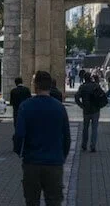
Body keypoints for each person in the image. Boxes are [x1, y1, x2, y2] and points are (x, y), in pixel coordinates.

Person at [14, 71, 71, 206]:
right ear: (50, 86)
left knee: (32, 201)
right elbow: (67, 137)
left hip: (32, 162)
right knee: (54, 201)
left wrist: (19, 151)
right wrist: (61, 156)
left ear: (35, 86)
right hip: (54, 163)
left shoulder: (25, 106)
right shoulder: (59, 108)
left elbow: (19, 134)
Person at [75, 74, 106, 152]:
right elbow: (103, 95)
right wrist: (100, 105)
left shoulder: (82, 87)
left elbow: (77, 97)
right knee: (94, 128)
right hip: (95, 109)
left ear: (84, 79)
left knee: (85, 128)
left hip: (86, 110)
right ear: (90, 78)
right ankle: (93, 146)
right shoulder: (96, 85)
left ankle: (84, 144)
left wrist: (81, 105)